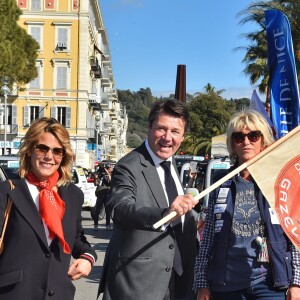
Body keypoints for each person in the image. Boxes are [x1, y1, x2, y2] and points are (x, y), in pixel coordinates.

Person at [194, 109, 300, 300]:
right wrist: (202, 283)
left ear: (263, 140)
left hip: (270, 284)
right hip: (226, 285)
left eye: (253, 136)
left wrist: (296, 282)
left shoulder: (277, 181)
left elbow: (294, 233)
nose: (246, 142)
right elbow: (208, 236)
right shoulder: (221, 182)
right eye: (239, 137)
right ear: (232, 144)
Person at [98, 99, 198, 300]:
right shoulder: (129, 165)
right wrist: (164, 214)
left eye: (175, 131)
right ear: (150, 126)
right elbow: (120, 208)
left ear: (183, 136)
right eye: (162, 129)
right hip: (138, 284)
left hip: (179, 283)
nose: (167, 138)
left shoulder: (171, 163)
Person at [0, 117, 97, 300]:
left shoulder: (72, 195)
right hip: (14, 294)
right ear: (29, 150)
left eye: (57, 151)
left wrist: (87, 257)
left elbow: (76, 238)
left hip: (58, 294)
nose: (49, 156)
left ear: (64, 156)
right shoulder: (7, 191)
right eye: (42, 148)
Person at [93, 163, 113, 230]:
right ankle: (95, 225)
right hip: (100, 194)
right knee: (97, 210)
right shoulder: (99, 174)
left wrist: (108, 174)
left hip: (107, 194)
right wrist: (96, 178)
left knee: (108, 210)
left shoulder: (111, 174)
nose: (111, 169)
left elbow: (111, 182)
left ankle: (108, 225)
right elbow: (96, 184)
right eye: (110, 168)